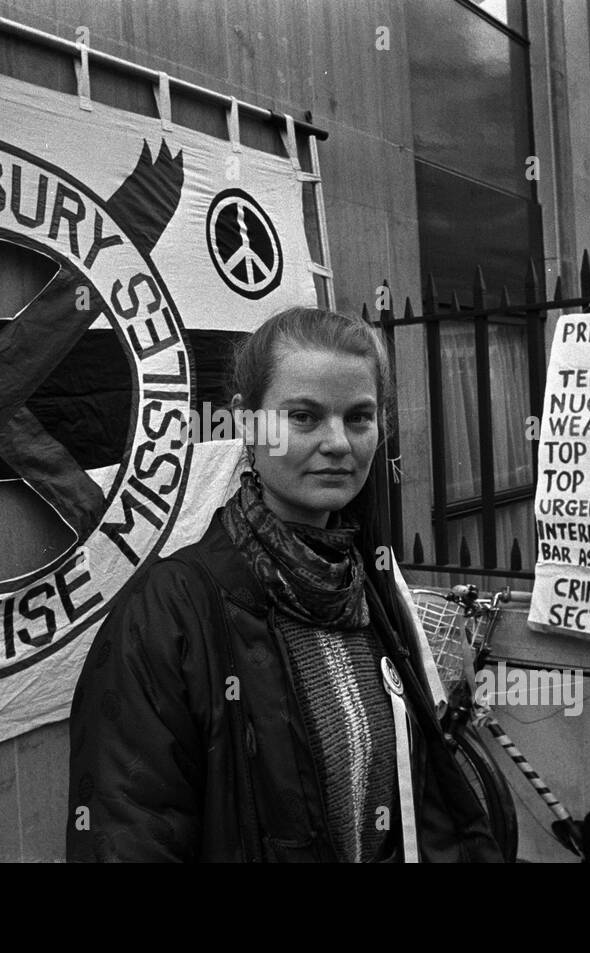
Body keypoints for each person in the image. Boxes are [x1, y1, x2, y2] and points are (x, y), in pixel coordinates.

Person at [65, 306, 502, 862]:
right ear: (248, 422)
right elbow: (128, 835)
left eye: (359, 417)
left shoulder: (372, 591)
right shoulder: (168, 615)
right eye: (304, 417)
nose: (338, 443)